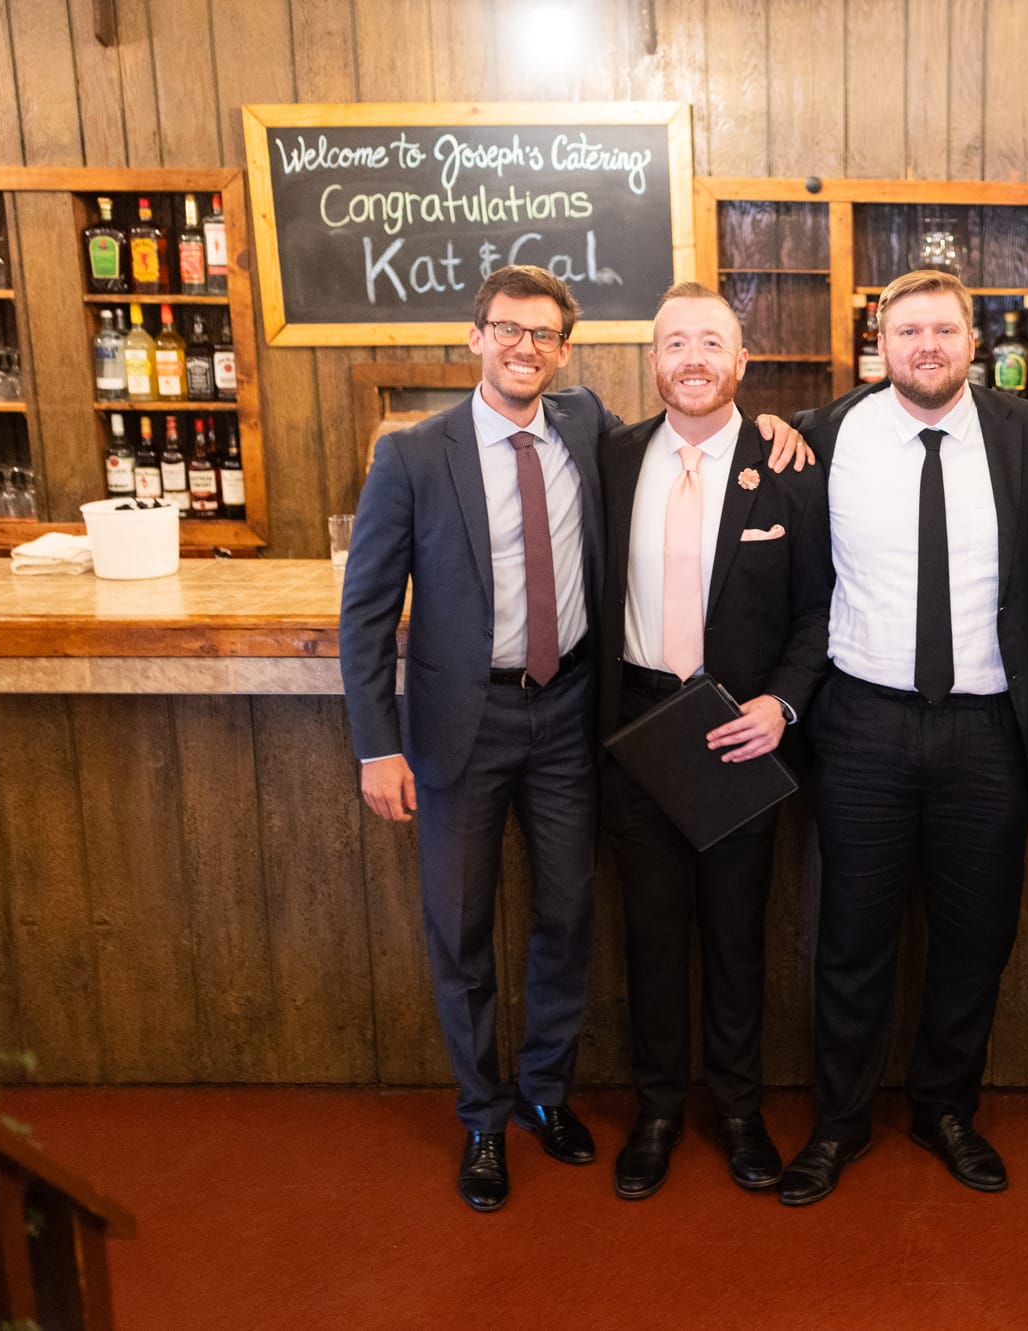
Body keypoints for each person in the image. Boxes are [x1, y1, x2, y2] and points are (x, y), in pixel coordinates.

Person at [341, 265, 806, 1213]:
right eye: (507, 329)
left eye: (544, 333)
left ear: (565, 349)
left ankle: (546, 1096)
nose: (525, 347)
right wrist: (375, 743)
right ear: (476, 336)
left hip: (571, 719)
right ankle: (483, 1117)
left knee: (569, 915)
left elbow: (719, 432)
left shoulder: (587, 430)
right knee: (461, 928)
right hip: (465, 724)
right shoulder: (414, 455)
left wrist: (782, 423)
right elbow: (367, 611)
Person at [777, 269, 1028, 1206]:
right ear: (881, 342)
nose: (927, 346)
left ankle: (946, 1108)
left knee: (975, 940)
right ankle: (839, 1122)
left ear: (974, 342)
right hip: (863, 722)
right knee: (851, 938)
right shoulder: (822, 434)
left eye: (944, 329)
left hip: (989, 726)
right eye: (908, 331)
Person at [596, 282, 832, 1200]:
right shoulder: (611, 457)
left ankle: (739, 1109)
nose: (691, 359)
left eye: (710, 343)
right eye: (674, 343)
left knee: (738, 935)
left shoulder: (790, 465)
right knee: (650, 934)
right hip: (638, 727)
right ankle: (657, 1110)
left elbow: (819, 610)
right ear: (652, 360)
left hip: (741, 727)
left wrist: (783, 704)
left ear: (741, 360)